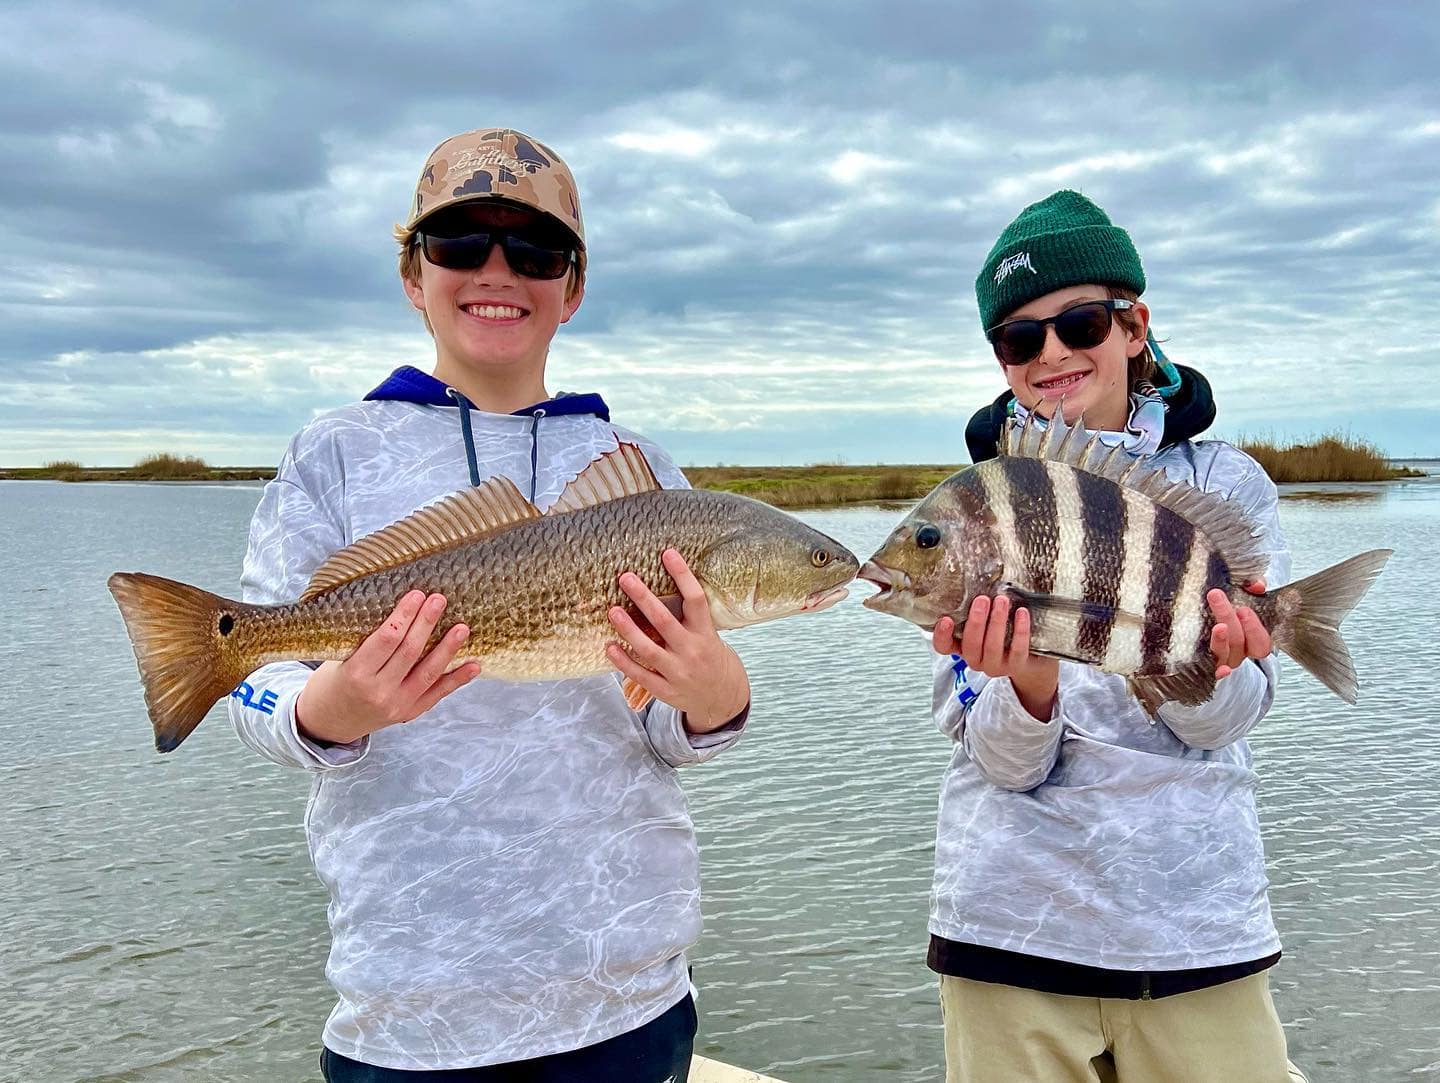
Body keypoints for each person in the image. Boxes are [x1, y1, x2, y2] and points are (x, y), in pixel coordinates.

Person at [228, 128, 751, 1082]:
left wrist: (716, 695)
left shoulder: (645, 476)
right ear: (412, 275)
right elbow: (248, 681)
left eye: (536, 251)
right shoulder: (335, 451)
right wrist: (330, 707)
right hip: (410, 1007)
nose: (496, 271)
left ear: (574, 286)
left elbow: (668, 733)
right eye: (460, 245)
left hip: (626, 992)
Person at [927, 190, 1308, 1082]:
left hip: (1196, 926)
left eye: (1081, 323)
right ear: (1002, 360)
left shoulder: (1226, 485)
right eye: (1021, 338)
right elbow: (1006, 764)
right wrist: (1028, 688)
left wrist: (1216, 667)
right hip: (1010, 930)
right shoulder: (978, 506)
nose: (1052, 352)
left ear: (1134, 326)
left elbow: (1221, 727)